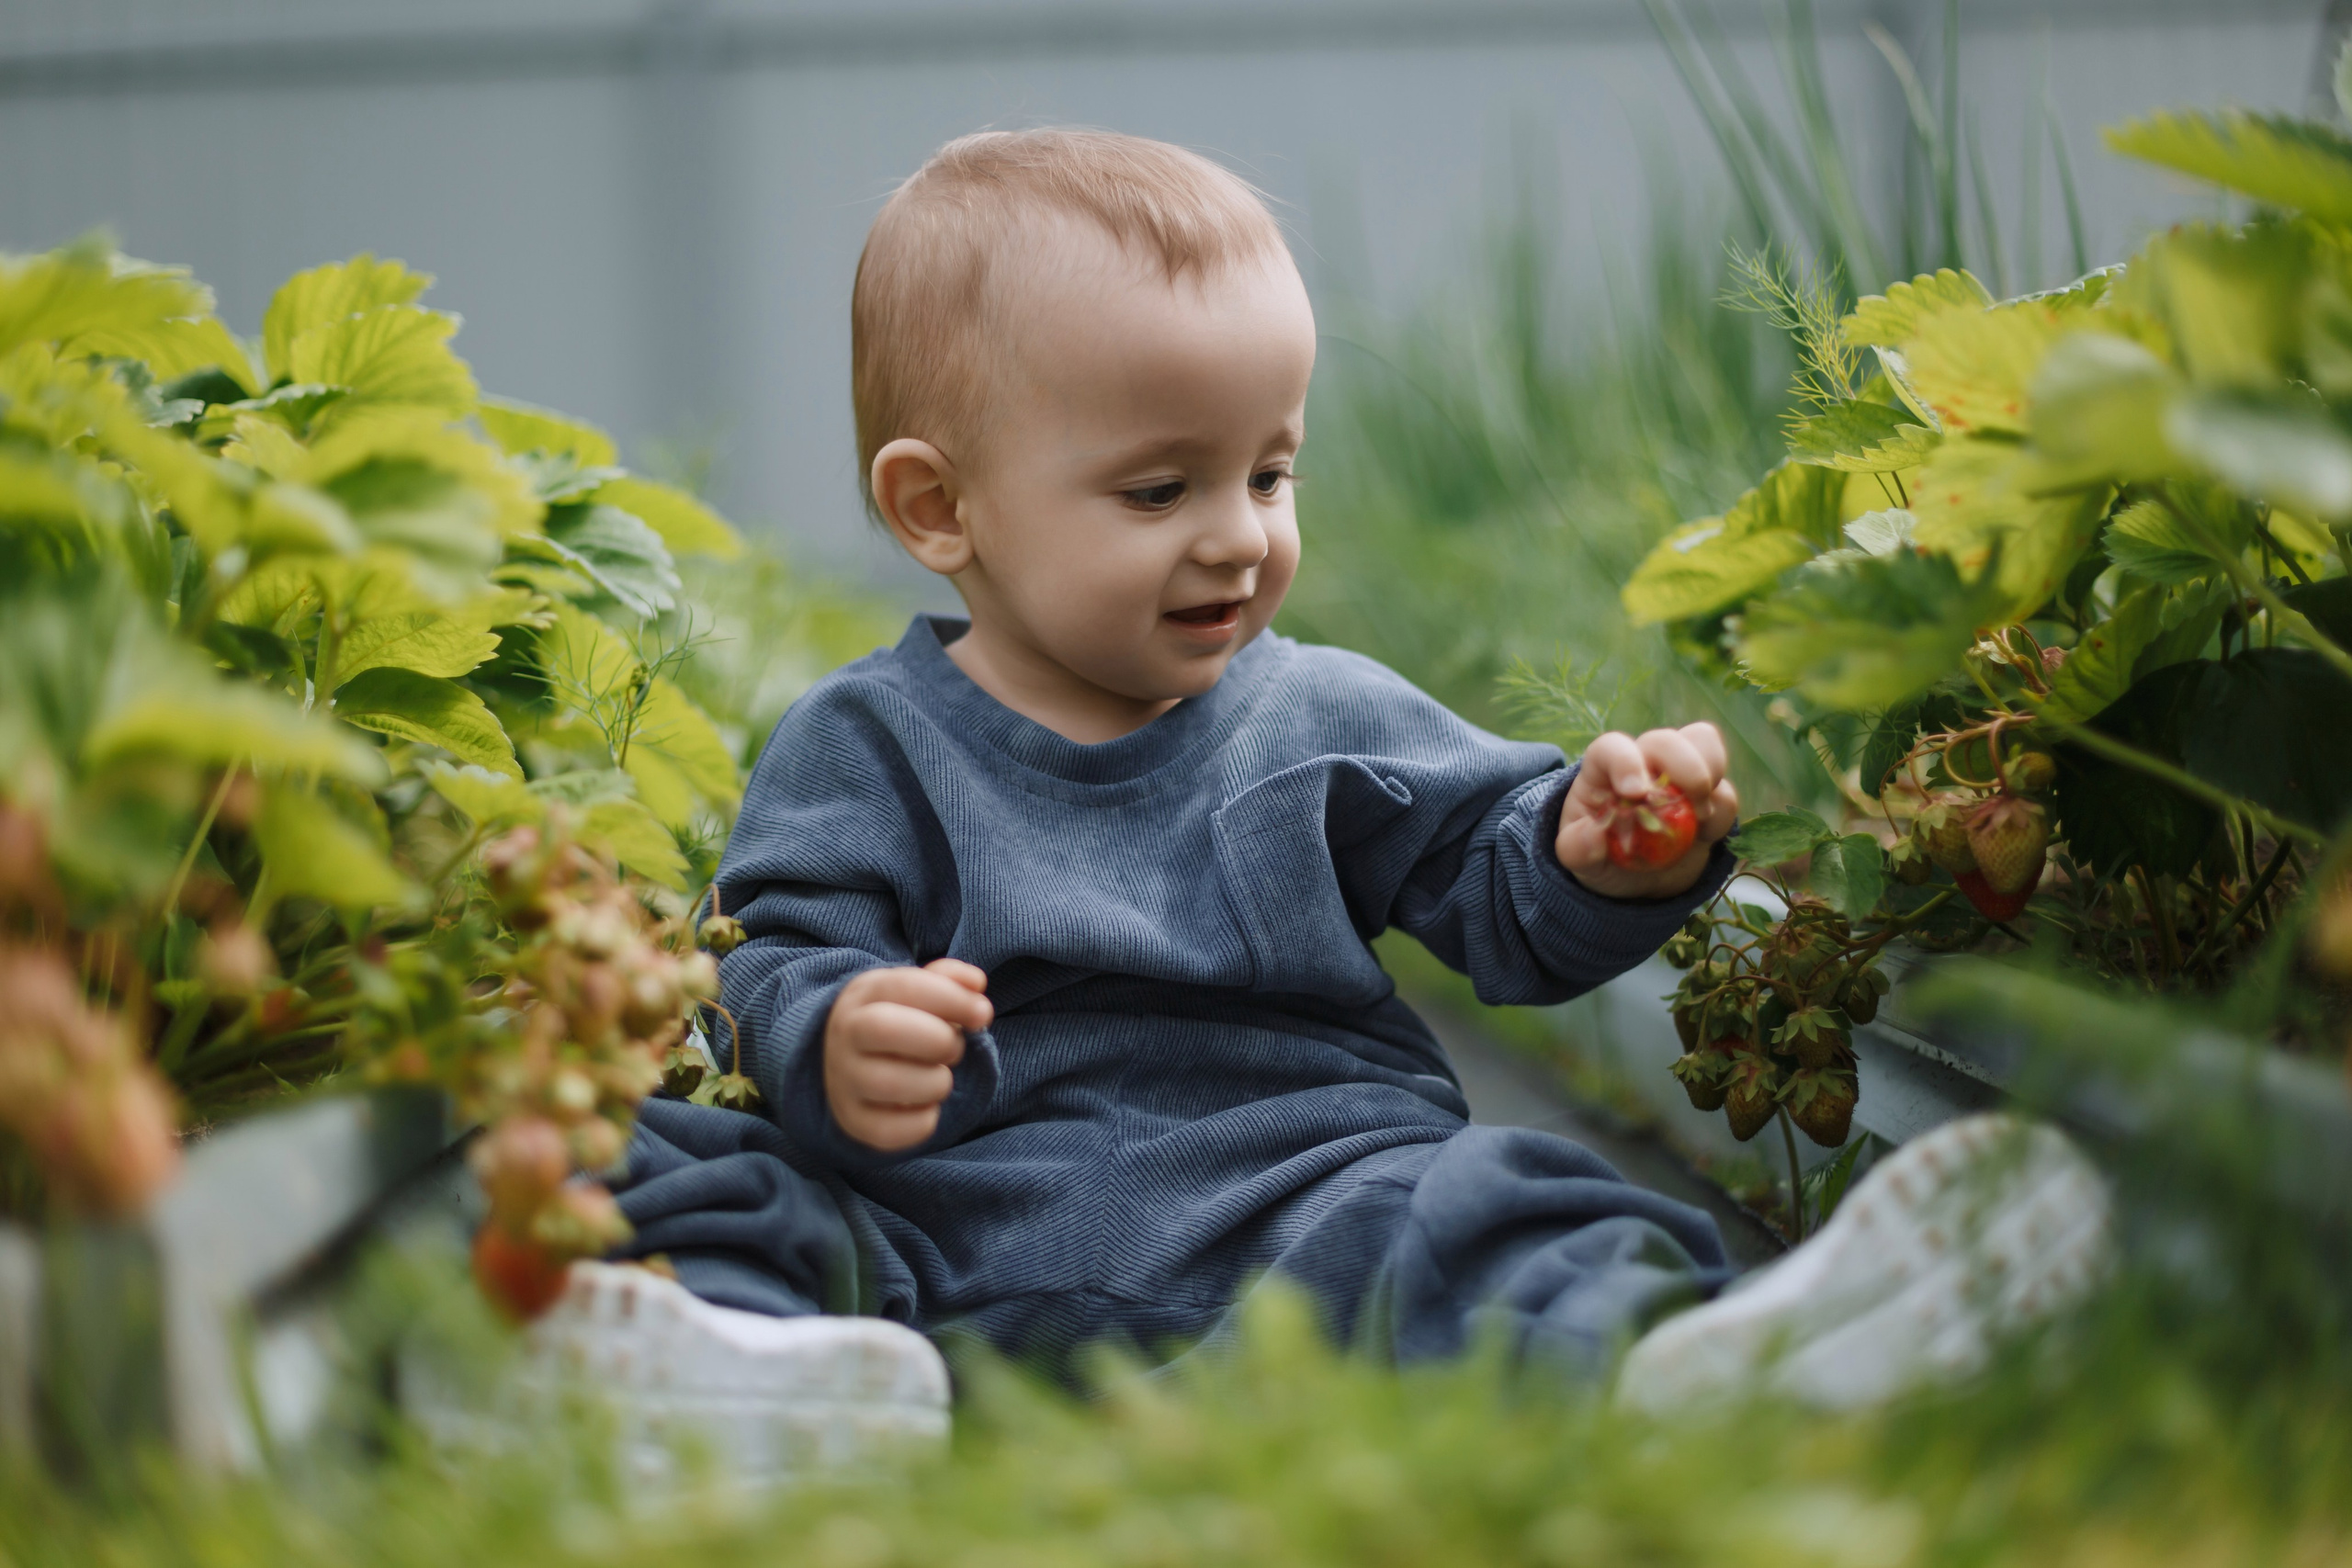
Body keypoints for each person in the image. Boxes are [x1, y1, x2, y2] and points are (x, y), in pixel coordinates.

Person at [556, 130, 2107, 1439]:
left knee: (1502, 1207)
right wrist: (835, 1031)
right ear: (940, 505)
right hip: (956, 1233)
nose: (1238, 533)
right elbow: (770, 957)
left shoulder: (1318, 713)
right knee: (680, 1161)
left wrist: (1595, 847)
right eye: (1162, 487)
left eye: (1271, 471)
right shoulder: (869, 741)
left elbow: (1497, 886)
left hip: (1303, 1206)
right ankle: (768, 1395)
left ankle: (1701, 1364)